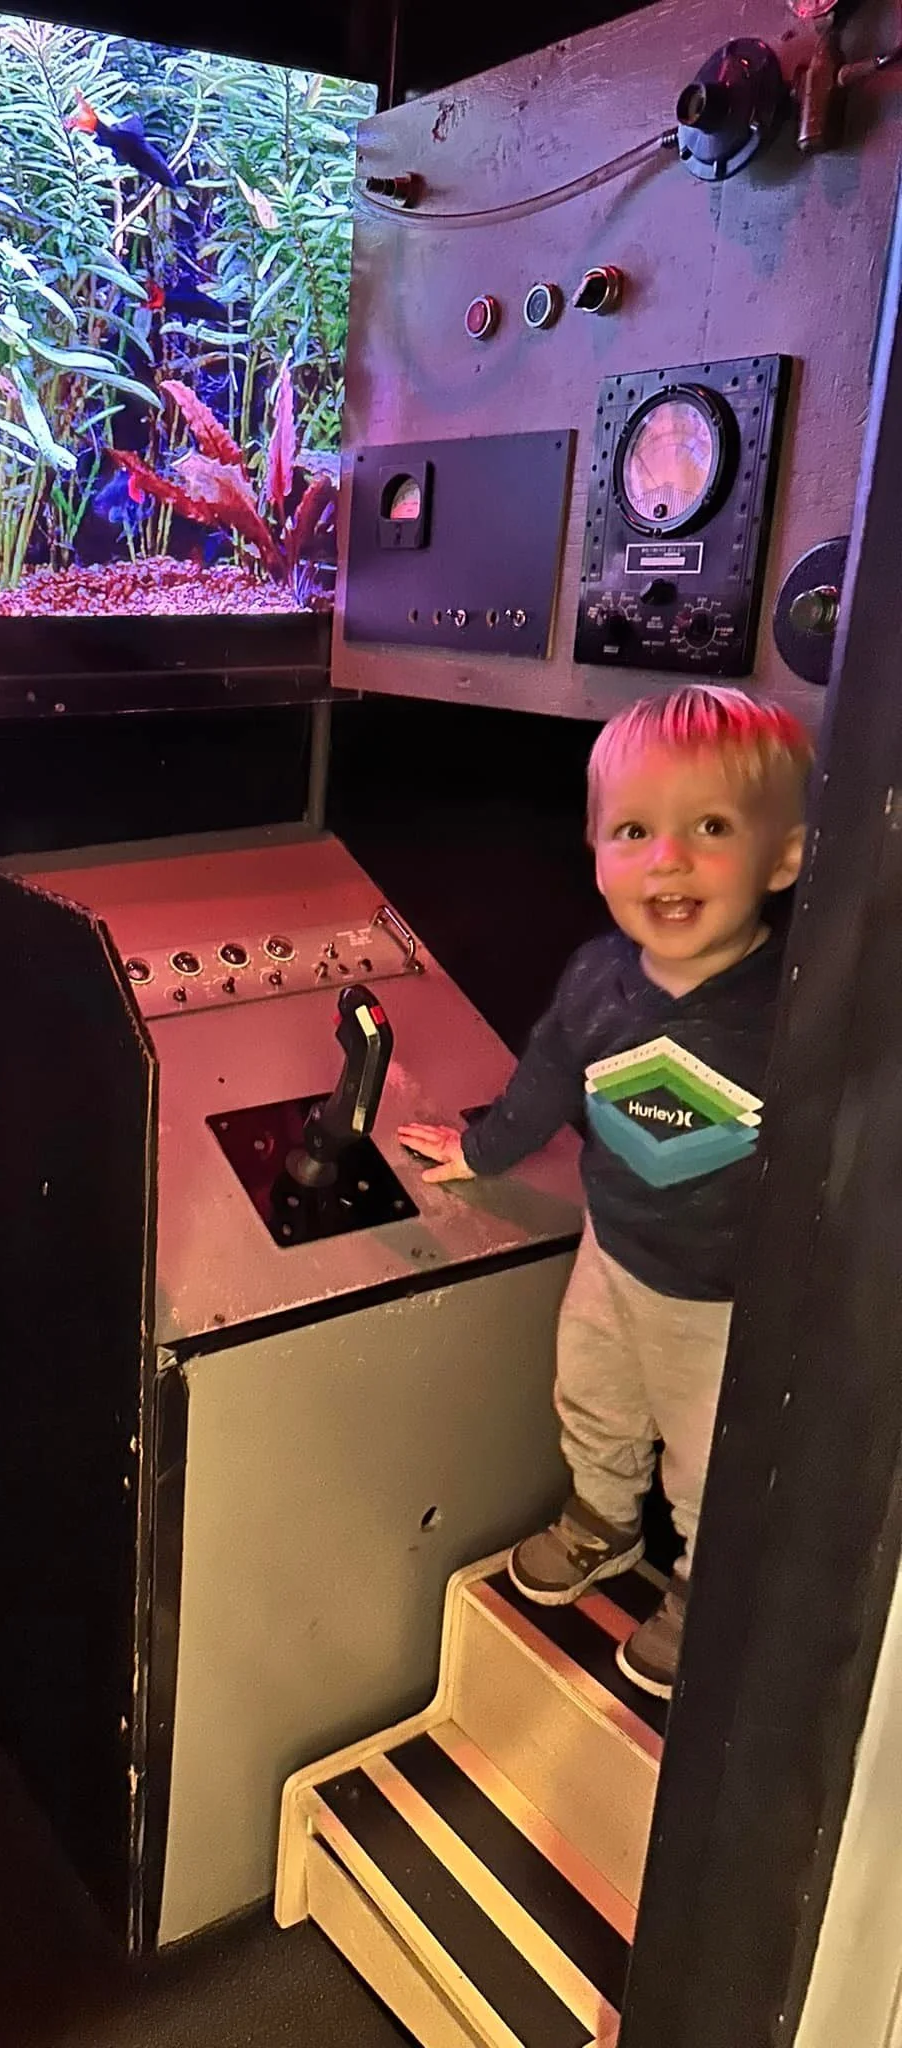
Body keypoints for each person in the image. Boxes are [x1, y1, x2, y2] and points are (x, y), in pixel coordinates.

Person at [398, 685, 812, 1698]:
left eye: (710, 827)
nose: (667, 858)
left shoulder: (794, 1011)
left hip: (722, 1298)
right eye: (634, 829)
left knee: (712, 1459)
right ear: (594, 846)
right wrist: (483, 1149)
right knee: (593, 1392)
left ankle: (705, 1588)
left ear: (785, 856)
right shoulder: (597, 979)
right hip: (613, 1249)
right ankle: (601, 1516)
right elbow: (545, 1076)